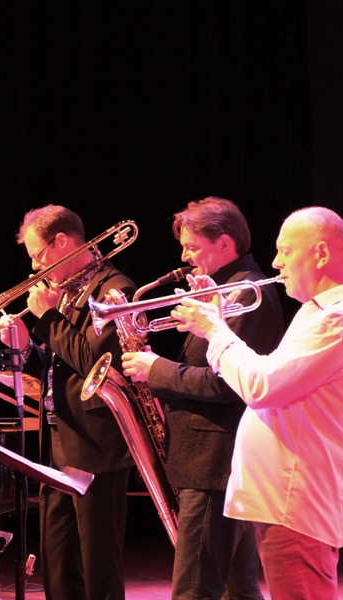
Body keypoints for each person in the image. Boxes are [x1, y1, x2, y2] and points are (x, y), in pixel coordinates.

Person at [171, 206, 343, 599]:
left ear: (320, 253)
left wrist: (214, 329)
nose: (277, 262)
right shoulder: (319, 312)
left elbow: (261, 385)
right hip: (282, 500)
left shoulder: (341, 318)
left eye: (286, 251)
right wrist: (219, 322)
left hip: (296, 503)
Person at [121, 197, 284, 599]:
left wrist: (156, 369)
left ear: (224, 243)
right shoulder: (223, 289)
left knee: (195, 589)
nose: (184, 257)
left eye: (192, 247)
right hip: (213, 459)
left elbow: (226, 385)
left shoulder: (246, 292)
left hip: (214, 462)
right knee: (237, 588)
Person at [0, 204, 135, 600]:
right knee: (57, 560)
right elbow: (59, 367)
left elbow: (95, 364)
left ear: (62, 242)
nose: (35, 267)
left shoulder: (114, 289)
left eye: (38, 255)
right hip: (58, 441)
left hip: (96, 445)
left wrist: (49, 319)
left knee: (98, 565)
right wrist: (26, 347)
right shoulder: (68, 291)